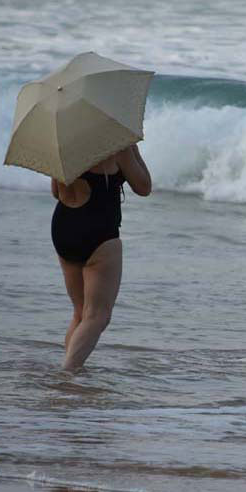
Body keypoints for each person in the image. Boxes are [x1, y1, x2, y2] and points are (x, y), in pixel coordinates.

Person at [50, 144, 152, 371]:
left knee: (80, 312)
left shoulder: (63, 140)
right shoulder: (116, 142)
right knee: (97, 316)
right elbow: (144, 186)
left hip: (64, 226)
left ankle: (70, 370)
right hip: (99, 230)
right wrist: (133, 148)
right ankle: (67, 373)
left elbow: (56, 191)